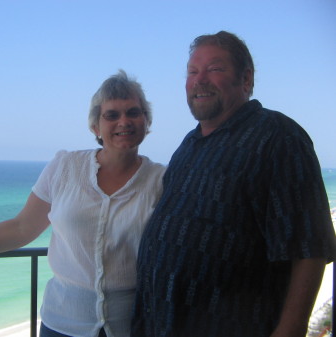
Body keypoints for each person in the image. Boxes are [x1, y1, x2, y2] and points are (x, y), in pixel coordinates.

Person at [0, 70, 166, 337]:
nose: (124, 121)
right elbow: (20, 228)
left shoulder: (162, 180)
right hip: (61, 324)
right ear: (96, 126)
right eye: (112, 114)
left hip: (131, 327)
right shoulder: (65, 167)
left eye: (133, 112)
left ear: (146, 121)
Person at [131, 31, 336, 337]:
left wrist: (290, 330)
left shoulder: (277, 136)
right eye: (192, 71)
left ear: (246, 79)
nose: (199, 80)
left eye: (214, 69)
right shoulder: (189, 145)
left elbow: (309, 247)